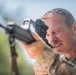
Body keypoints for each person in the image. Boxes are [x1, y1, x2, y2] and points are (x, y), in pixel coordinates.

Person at [21, 8, 76, 75]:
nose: (52, 40)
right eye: (48, 34)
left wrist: (45, 56)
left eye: (56, 32)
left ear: (74, 28)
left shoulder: (58, 65)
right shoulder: (61, 64)